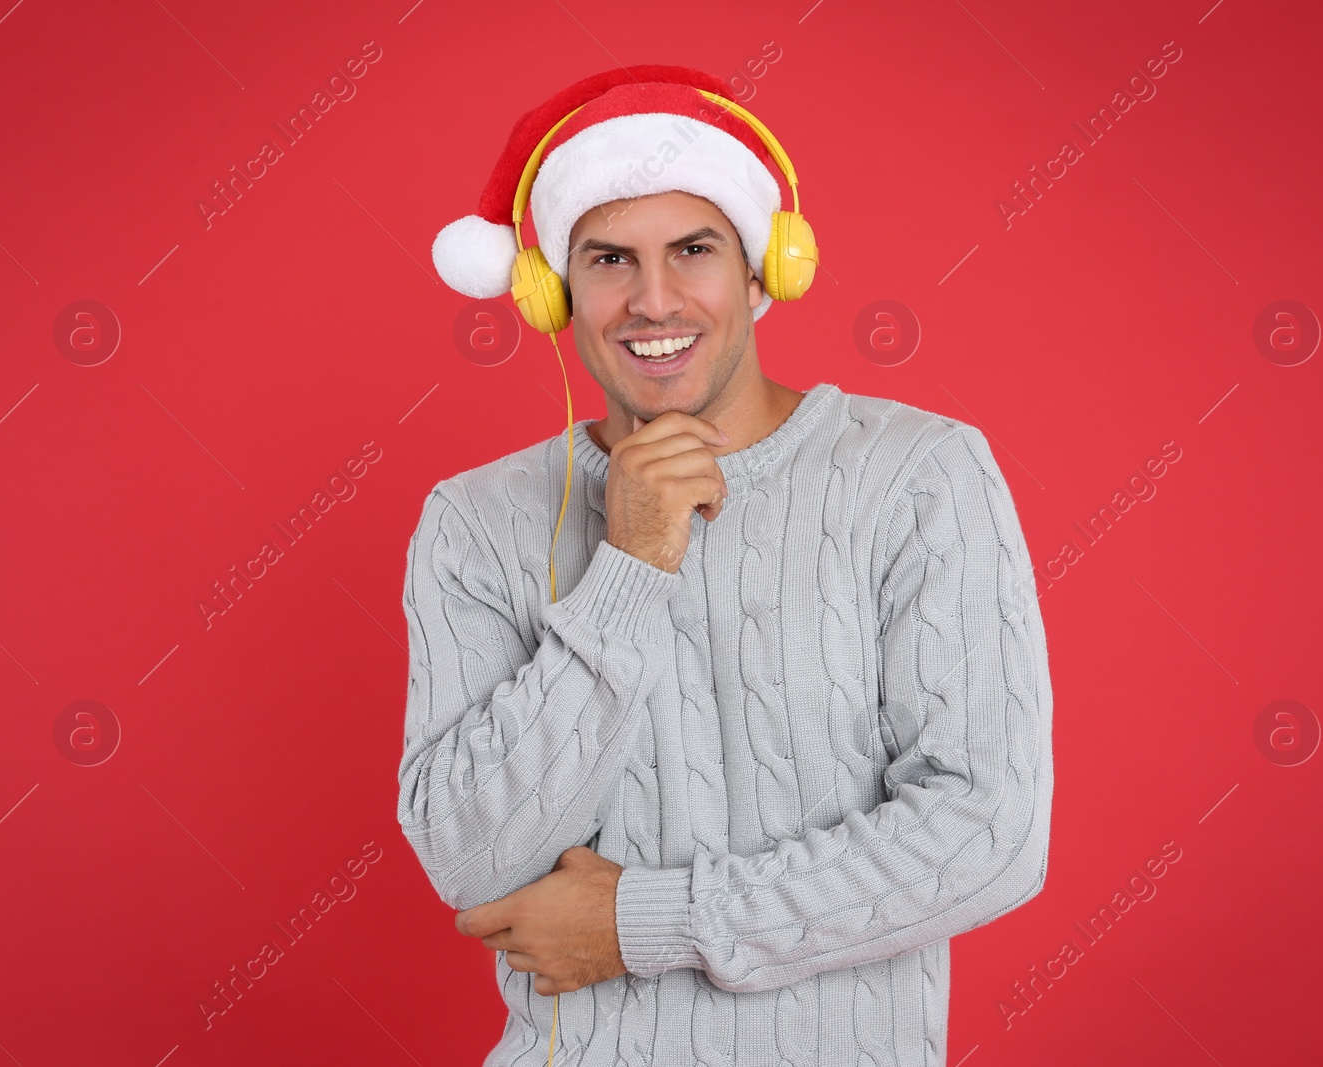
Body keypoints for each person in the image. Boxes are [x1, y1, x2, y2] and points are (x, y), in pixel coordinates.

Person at [400, 65, 1054, 1066]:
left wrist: (644, 922)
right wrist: (631, 560)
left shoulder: (917, 472)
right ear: (554, 290)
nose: (650, 299)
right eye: (609, 258)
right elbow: (470, 856)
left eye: (693, 250)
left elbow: (984, 831)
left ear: (763, 269)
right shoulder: (474, 519)